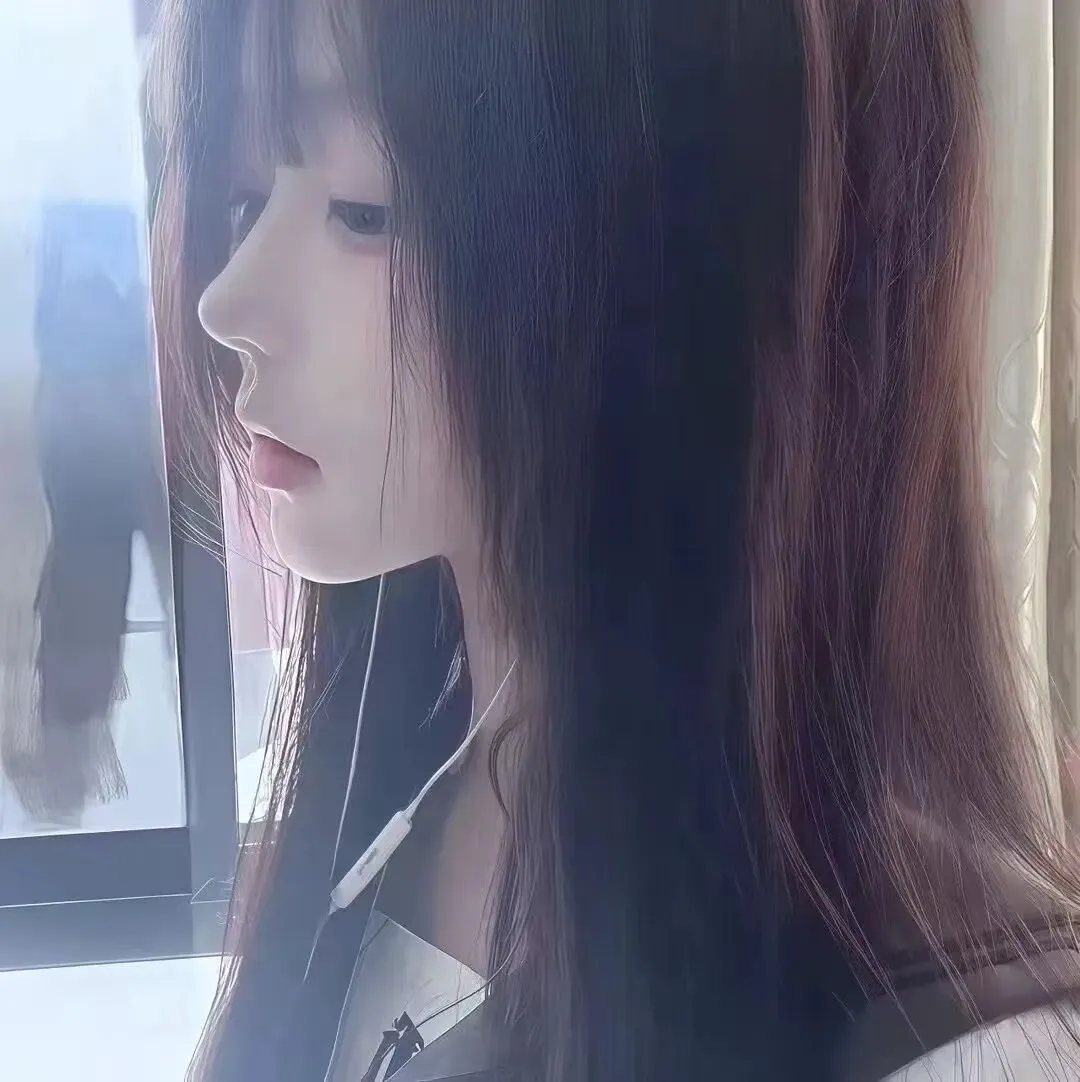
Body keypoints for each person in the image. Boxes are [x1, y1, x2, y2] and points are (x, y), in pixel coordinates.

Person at [149, 0, 1080, 1078]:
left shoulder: (968, 1041)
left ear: (694, 245)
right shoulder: (394, 807)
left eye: (364, 207)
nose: (228, 300)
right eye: (245, 195)